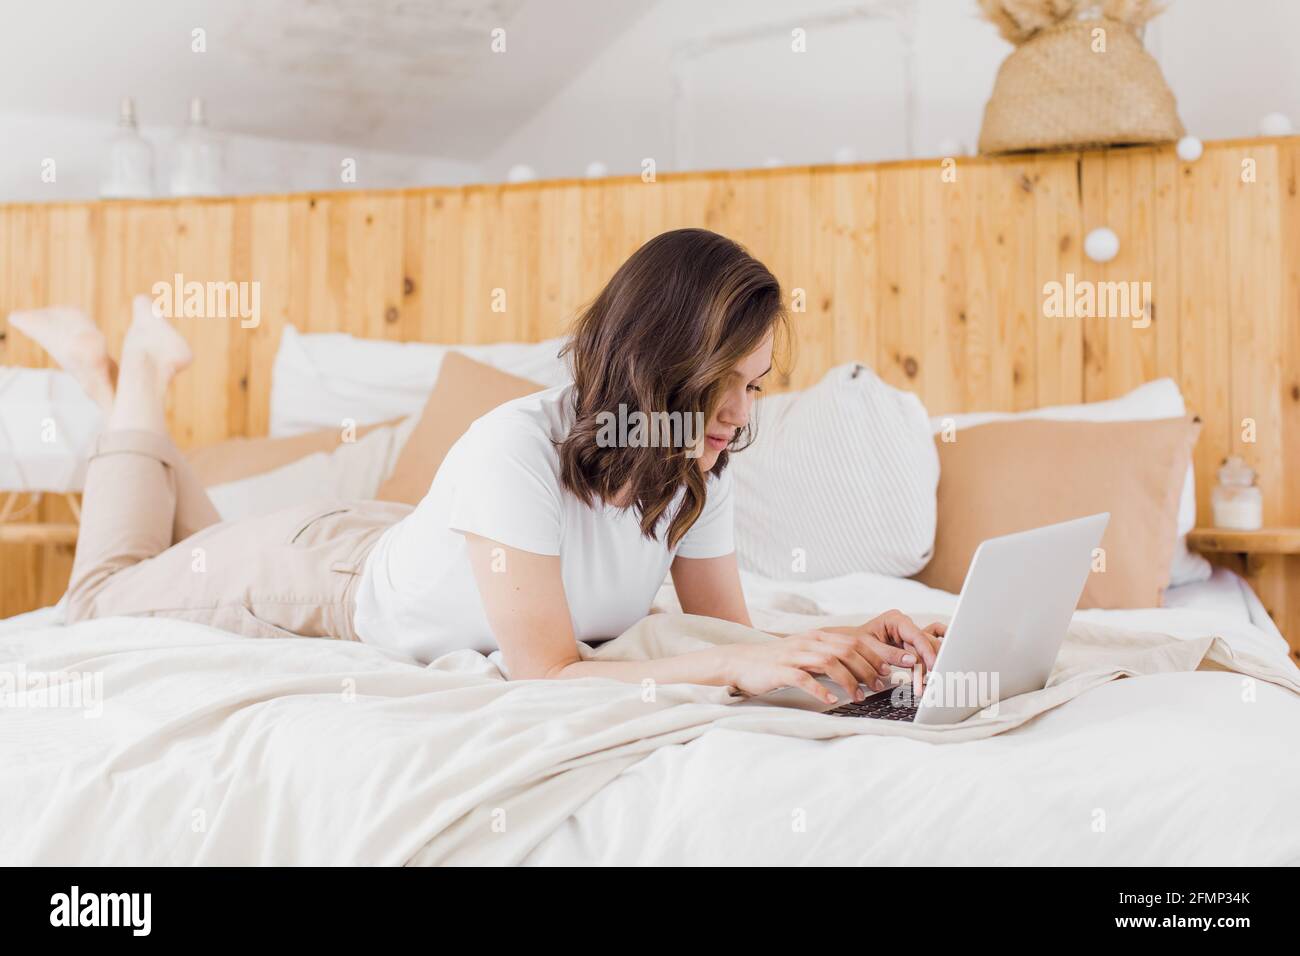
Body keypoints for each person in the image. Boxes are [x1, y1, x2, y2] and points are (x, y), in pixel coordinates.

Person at [9, 228, 941, 706]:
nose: (739, 418)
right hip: (313, 577)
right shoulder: (515, 446)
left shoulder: (701, 460)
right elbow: (550, 675)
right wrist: (742, 667)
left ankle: (113, 389)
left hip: (419, 544)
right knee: (102, 595)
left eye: (758, 386)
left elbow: (722, 634)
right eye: (718, 386)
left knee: (192, 549)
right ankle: (128, 372)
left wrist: (854, 645)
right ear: (655, 362)